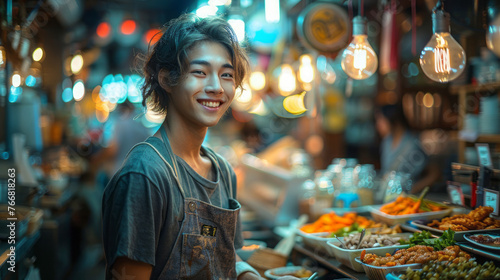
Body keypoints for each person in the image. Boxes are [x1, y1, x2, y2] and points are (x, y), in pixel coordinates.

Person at [102, 14, 265, 280]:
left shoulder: (223, 170)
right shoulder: (145, 175)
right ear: (167, 79)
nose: (216, 87)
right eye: (199, 72)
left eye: (226, 75)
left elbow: (225, 257)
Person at [375, 103, 440, 194]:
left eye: (381, 120)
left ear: (393, 120)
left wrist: (414, 189)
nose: (378, 125)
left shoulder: (412, 144)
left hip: (408, 198)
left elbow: (434, 173)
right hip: (389, 195)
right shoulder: (387, 142)